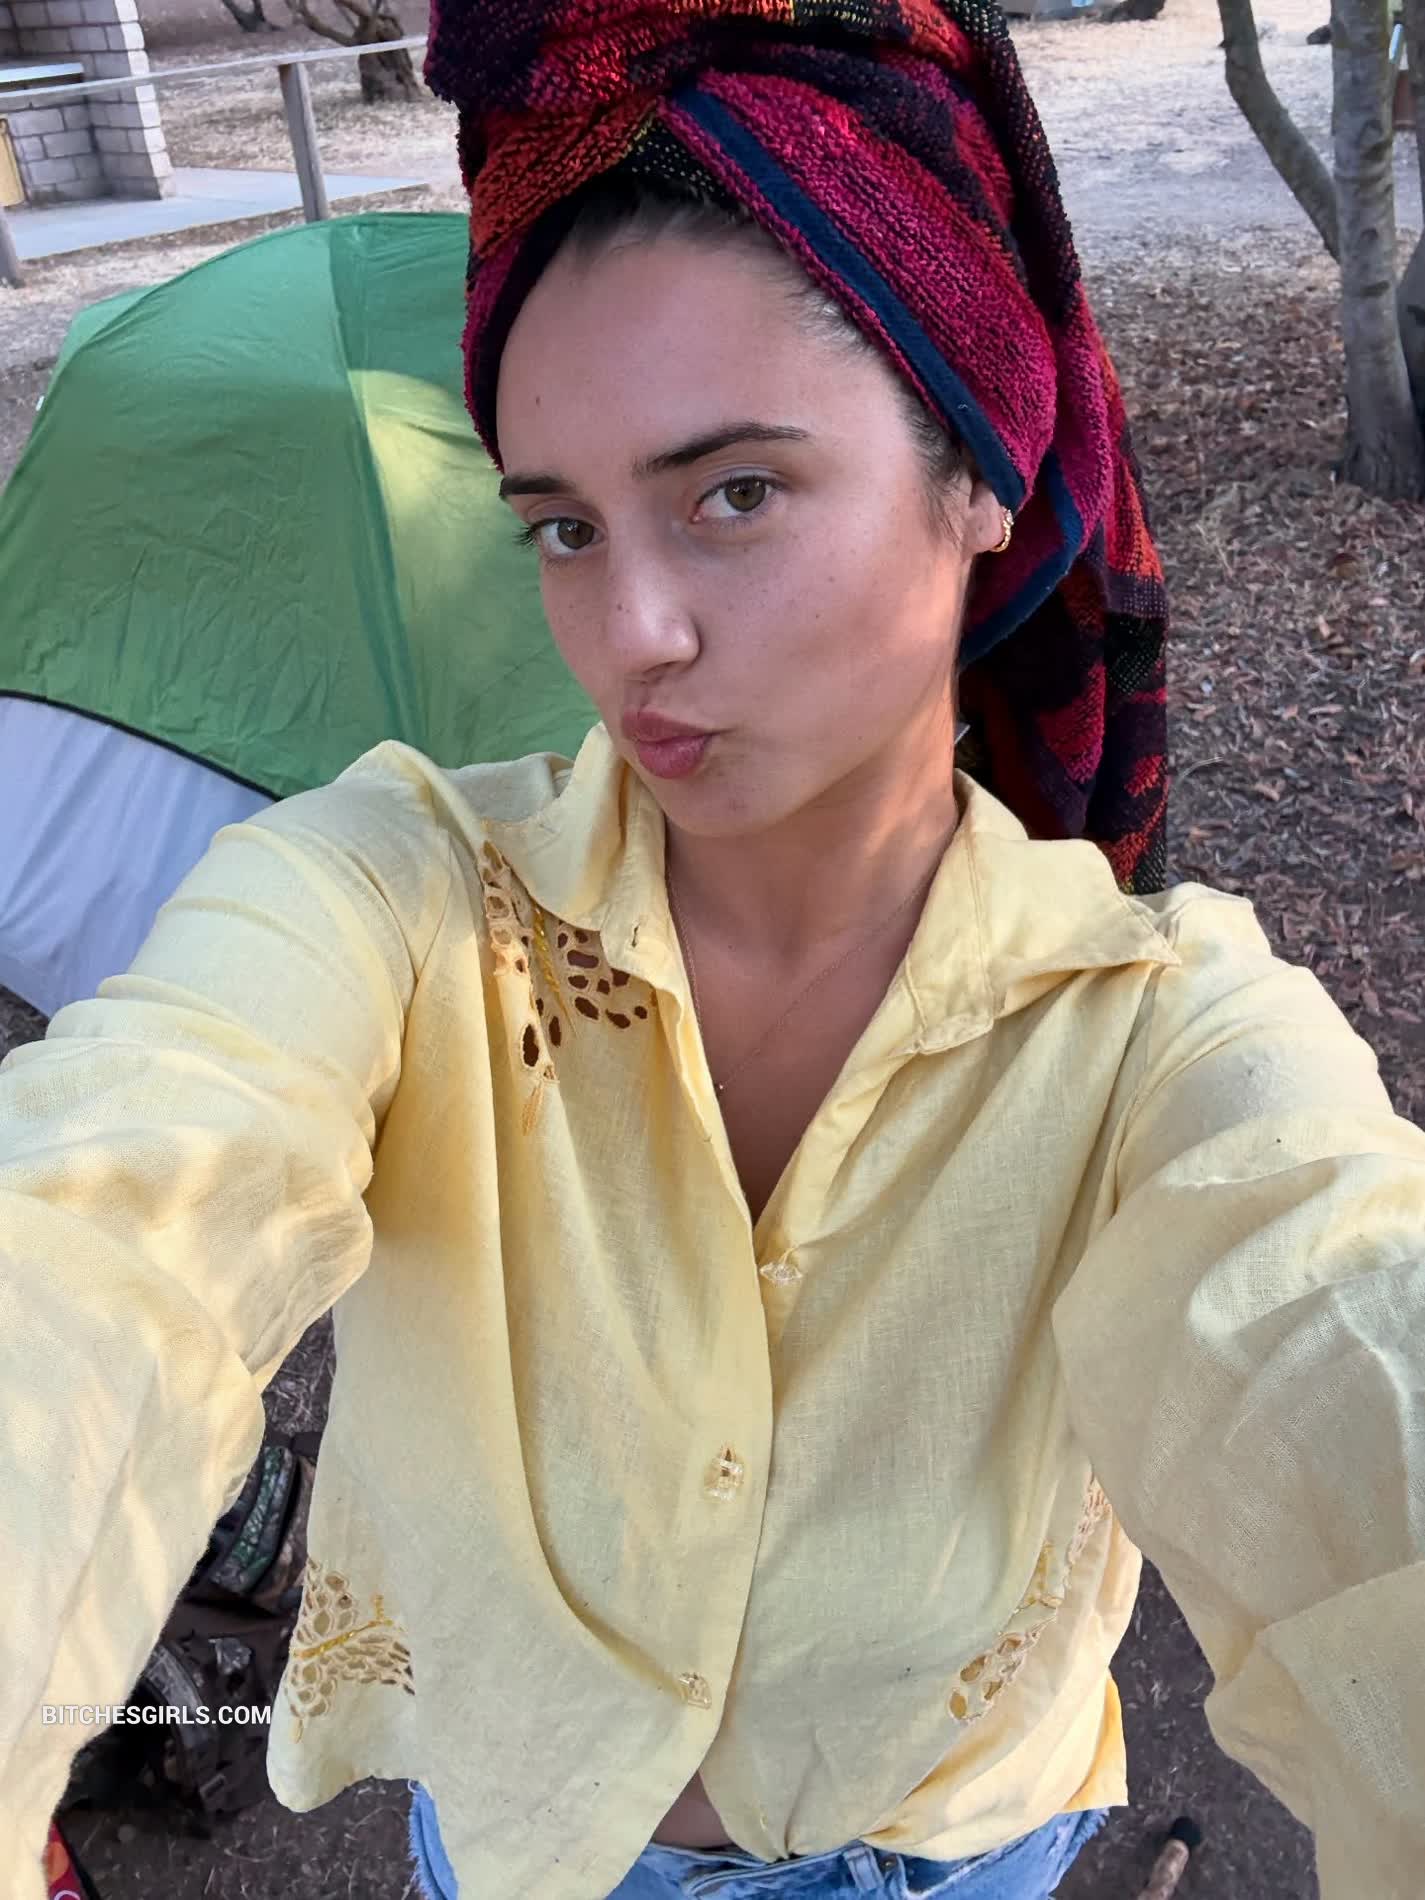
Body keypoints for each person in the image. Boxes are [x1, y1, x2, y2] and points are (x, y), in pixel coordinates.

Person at [1, 3, 1423, 1898]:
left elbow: (1340, 1335)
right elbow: (107, 1218)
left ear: (980, 471)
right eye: (562, 527)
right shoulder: (387, 898)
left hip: (965, 1848)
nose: (630, 632)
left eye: (734, 493)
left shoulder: (1155, 1034)